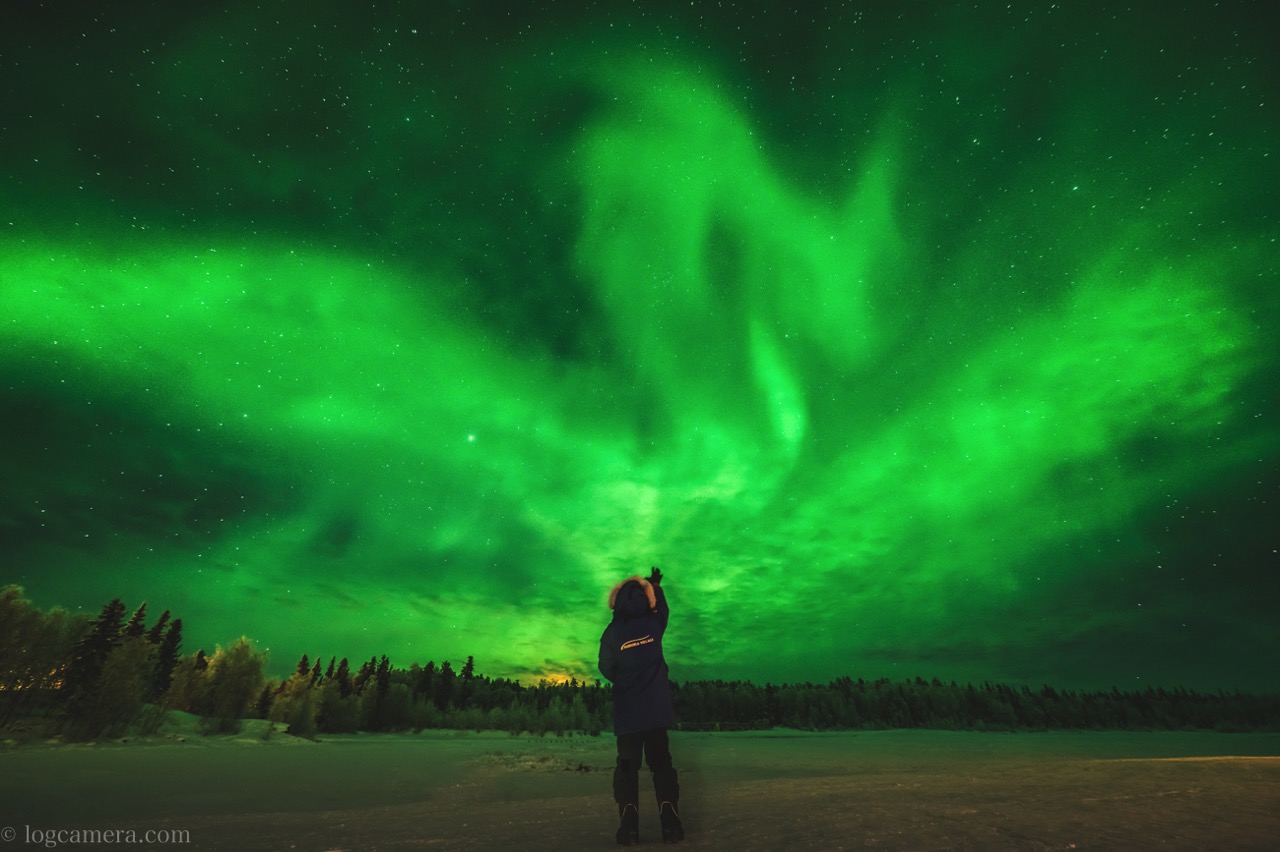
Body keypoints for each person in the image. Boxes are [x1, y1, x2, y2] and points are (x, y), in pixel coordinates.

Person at [598, 567, 684, 845]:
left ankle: (629, 826)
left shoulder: (611, 634)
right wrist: (655, 586)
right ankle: (670, 824)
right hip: (656, 715)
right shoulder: (653, 623)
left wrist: (625, 681)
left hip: (628, 718)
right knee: (662, 766)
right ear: (645, 599)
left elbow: (605, 667)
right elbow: (663, 609)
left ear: (617, 602)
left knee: (626, 768)